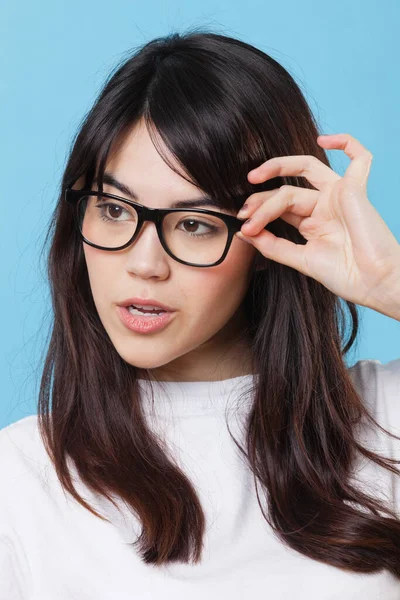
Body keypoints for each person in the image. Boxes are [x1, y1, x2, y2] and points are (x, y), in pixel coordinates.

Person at [1, 29, 400, 599]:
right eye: (114, 209)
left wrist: (390, 282)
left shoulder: (385, 421)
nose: (144, 264)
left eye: (194, 224)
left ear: (267, 237)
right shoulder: (18, 482)